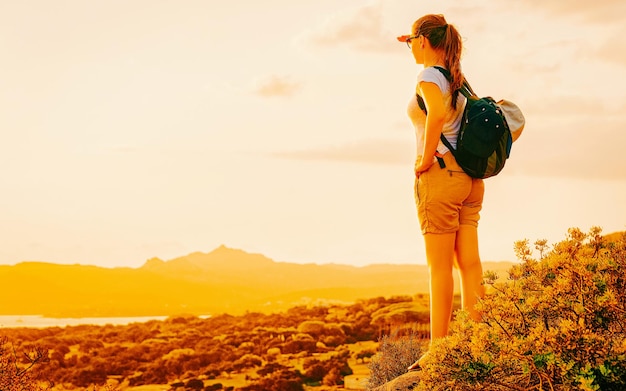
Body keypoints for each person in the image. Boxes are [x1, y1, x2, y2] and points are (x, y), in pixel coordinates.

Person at [397, 14, 485, 371]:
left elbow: (434, 115)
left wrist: (424, 158)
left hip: (441, 178)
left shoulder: (429, 76)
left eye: (411, 42)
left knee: (438, 268)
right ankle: (481, 341)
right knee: (470, 264)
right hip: (470, 180)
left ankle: (441, 352)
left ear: (422, 41)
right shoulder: (458, 79)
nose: (410, 49)